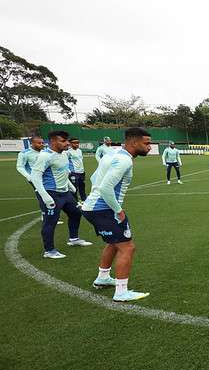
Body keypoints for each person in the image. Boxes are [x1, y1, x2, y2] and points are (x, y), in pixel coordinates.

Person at [82, 128, 152, 302]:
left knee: (114, 243)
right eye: (146, 143)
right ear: (134, 142)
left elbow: (93, 178)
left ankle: (103, 277)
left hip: (93, 207)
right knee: (127, 247)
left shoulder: (112, 155)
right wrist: (118, 210)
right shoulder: (124, 161)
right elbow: (105, 187)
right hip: (104, 209)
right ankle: (121, 292)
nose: (149, 147)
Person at [31, 131, 93, 259]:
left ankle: (73, 239)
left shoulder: (64, 154)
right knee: (50, 221)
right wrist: (45, 196)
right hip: (51, 193)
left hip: (65, 193)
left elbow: (65, 171)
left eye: (67, 141)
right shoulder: (45, 156)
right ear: (53, 142)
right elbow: (35, 177)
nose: (67, 143)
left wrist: (70, 186)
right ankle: (49, 250)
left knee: (76, 213)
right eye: (63, 141)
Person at [66, 137, 87, 203]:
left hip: (81, 172)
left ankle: (84, 200)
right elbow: (64, 162)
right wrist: (69, 171)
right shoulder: (68, 152)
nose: (77, 144)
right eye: (74, 143)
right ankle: (75, 202)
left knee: (82, 187)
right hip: (74, 173)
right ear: (70, 143)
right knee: (74, 188)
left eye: (77, 143)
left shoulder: (79, 151)